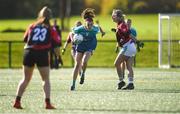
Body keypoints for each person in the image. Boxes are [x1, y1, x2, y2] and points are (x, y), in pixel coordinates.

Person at [13, 6, 60, 109]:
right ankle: (47, 103)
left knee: (25, 79)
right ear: (50, 17)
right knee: (45, 79)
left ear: (40, 15)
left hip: (29, 52)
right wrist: (59, 57)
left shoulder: (32, 26)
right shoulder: (51, 28)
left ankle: (17, 101)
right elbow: (56, 45)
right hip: (42, 53)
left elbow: (25, 39)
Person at [70, 8, 100, 91]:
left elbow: (99, 28)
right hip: (80, 46)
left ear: (92, 23)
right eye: (88, 24)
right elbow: (72, 32)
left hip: (90, 46)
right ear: (85, 23)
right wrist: (73, 40)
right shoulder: (80, 28)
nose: (90, 26)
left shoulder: (95, 29)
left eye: (91, 24)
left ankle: (83, 74)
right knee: (76, 65)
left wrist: (103, 32)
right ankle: (73, 84)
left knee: (84, 61)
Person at [112, 9, 137, 90]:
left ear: (119, 17)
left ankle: (121, 81)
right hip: (131, 46)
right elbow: (124, 34)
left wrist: (137, 40)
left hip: (128, 46)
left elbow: (127, 33)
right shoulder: (120, 24)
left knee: (116, 63)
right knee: (128, 66)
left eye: (114, 16)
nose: (113, 17)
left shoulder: (122, 24)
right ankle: (131, 83)